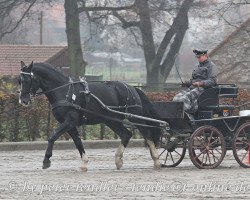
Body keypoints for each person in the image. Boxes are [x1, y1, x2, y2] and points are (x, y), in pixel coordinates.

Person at [173, 49, 218, 116]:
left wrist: (201, 83)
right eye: (197, 57)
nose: (198, 59)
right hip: (193, 88)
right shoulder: (197, 67)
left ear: (205, 55)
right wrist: (187, 83)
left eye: (199, 57)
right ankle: (178, 113)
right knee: (176, 98)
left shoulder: (211, 66)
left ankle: (183, 114)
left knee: (185, 99)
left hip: (204, 89)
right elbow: (193, 80)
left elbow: (212, 81)